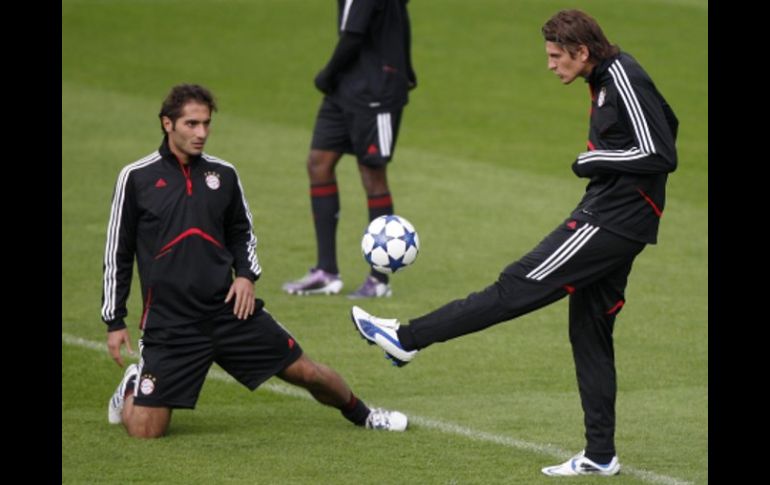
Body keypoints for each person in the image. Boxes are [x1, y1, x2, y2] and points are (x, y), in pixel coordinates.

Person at [351, 9, 678, 476]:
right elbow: (669, 121)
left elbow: (661, 152)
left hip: (610, 219)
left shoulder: (622, 76)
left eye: (555, 55)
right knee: (589, 332)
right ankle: (600, 456)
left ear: (581, 51)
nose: (550, 64)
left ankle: (405, 338)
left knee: (513, 287)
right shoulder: (605, 76)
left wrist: (593, 162)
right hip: (620, 217)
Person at [101, 84, 408, 438]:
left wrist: (246, 276)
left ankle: (365, 415)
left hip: (230, 310)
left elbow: (242, 233)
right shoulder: (136, 178)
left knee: (308, 373)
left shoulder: (224, 175)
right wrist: (115, 320)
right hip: (172, 325)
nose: (201, 133)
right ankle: (132, 384)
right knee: (145, 431)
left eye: (206, 124)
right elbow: (117, 253)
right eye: (191, 124)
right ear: (167, 124)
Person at [282, 0, 417, 299]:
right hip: (345, 89)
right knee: (318, 163)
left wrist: (326, 75)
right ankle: (326, 271)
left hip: (376, 90)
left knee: (372, 174)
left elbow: (354, 34)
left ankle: (379, 278)